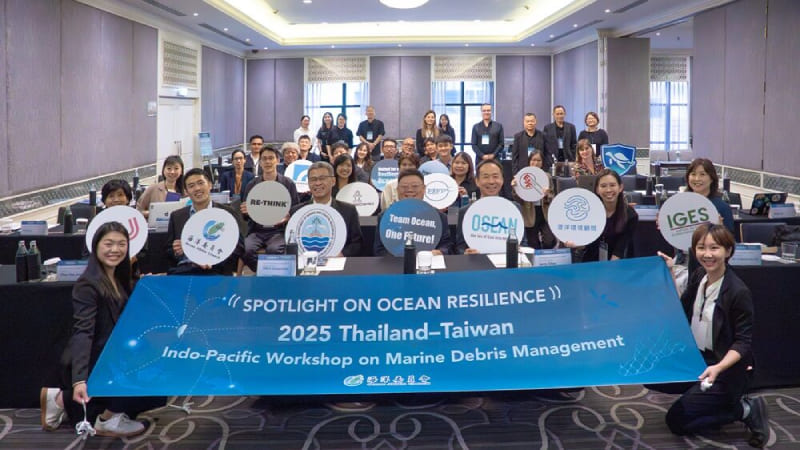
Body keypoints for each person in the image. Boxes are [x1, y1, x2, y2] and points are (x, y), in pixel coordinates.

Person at [40, 221, 163, 436]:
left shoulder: (118, 277)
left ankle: (60, 399)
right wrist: (79, 379)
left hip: (117, 353)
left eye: (121, 244)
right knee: (151, 378)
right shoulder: (88, 285)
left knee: (159, 374)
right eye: (108, 244)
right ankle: (107, 418)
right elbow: (83, 332)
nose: (115, 250)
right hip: (101, 357)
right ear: (96, 246)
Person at [655, 224, 768, 448]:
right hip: (699, 359)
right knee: (654, 375)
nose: (707, 254)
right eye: (701, 247)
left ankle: (743, 410)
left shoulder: (738, 292)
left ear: (728, 251)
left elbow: (743, 343)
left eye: (714, 248)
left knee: (676, 421)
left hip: (724, 369)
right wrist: (669, 272)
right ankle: (706, 398)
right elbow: (682, 309)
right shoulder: (699, 276)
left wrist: (717, 369)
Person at [165, 169, 244, 275]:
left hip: (216, 270)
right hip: (185, 269)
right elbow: (168, 249)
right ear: (186, 191)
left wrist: (213, 259)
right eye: (191, 186)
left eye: (201, 183)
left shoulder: (227, 213)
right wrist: (176, 250)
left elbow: (239, 246)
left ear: (210, 185)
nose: (197, 188)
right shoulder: (177, 216)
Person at [240, 146, 300, 272]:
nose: (267, 162)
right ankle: (263, 273)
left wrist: (288, 216)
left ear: (278, 160)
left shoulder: (288, 183)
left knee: (274, 250)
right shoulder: (252, 185)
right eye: (264, 159)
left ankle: (270, 276)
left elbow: (295, 208)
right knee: (246, 250)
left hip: (279, 230)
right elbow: (245, 216)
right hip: (257, 230)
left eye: (271, 158)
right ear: (260, 162)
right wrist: (245, 211)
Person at [290, 161, 363, 257]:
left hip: (338, 266)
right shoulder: (296, 211)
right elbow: (290, 244)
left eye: (322, 178)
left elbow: (357, 244)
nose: (317, 183)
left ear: (333, 181)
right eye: (313, 179)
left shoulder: (348, 210)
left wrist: (342, 254)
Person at [374, 169, 453, 256]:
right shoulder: (386, 217)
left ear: (424, 189)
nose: (410, 190)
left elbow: (447, 246)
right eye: (404, 187)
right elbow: (379, 250)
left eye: (415, 186)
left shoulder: (439, 217)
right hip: (395, 265)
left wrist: (440, 252)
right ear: (397, 190)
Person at [455, 159, 526, 254]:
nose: (491, 181)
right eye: (486, 177)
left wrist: (520, 249)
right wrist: (465, 253)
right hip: (478, 264)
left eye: (495, 176)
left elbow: (524, 242)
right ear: (477, 181)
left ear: (502, 180)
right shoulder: (465, 212)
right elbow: (459, 247)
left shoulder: (515, 208)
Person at [578, 169, 638, 262]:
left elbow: (620, 250)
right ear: (597, 189)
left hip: (618, 265)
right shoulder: (587, 212)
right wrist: (576, 244)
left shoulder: (630, 215)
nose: (608, 190)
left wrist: (608, 270)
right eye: (603, 186)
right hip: (590, 263)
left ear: (620, 187)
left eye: (612, 185)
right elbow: (585, 244)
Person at [514, 150, 556, 249]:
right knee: (533, 244)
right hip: (529, 213)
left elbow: (552, 196)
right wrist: (515, 189)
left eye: (539, 160)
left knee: (549, 241)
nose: (536, 163)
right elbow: (517, 200)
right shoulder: (522, 176)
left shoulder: (547, 177)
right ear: (529, 161)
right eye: (533, 160)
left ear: (542, 163)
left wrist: (547, 195)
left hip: (544, 212)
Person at [685, 158, 734, 233]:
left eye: (702, 174)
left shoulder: (723, 208)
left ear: (712, 178)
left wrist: (720, 229)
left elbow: (729, 241)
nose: (697, 179)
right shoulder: (679, 204)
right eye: (693, 174)